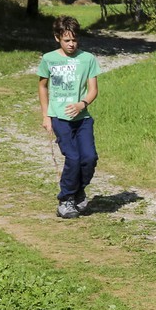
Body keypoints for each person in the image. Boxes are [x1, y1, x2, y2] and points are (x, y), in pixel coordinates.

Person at [37, 16, 101, 219]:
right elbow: (42, 87)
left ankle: (78, 191)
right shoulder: (49, 59)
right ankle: (66, 199)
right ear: (57, 38)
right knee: (73, 158)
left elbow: (93, 90)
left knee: (89, 158)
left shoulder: (88, 59)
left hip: (83, 118)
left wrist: (82, 104)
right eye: (67, 40)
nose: (71, 44)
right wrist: (46, 116)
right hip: (59, 117)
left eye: (74, 40)